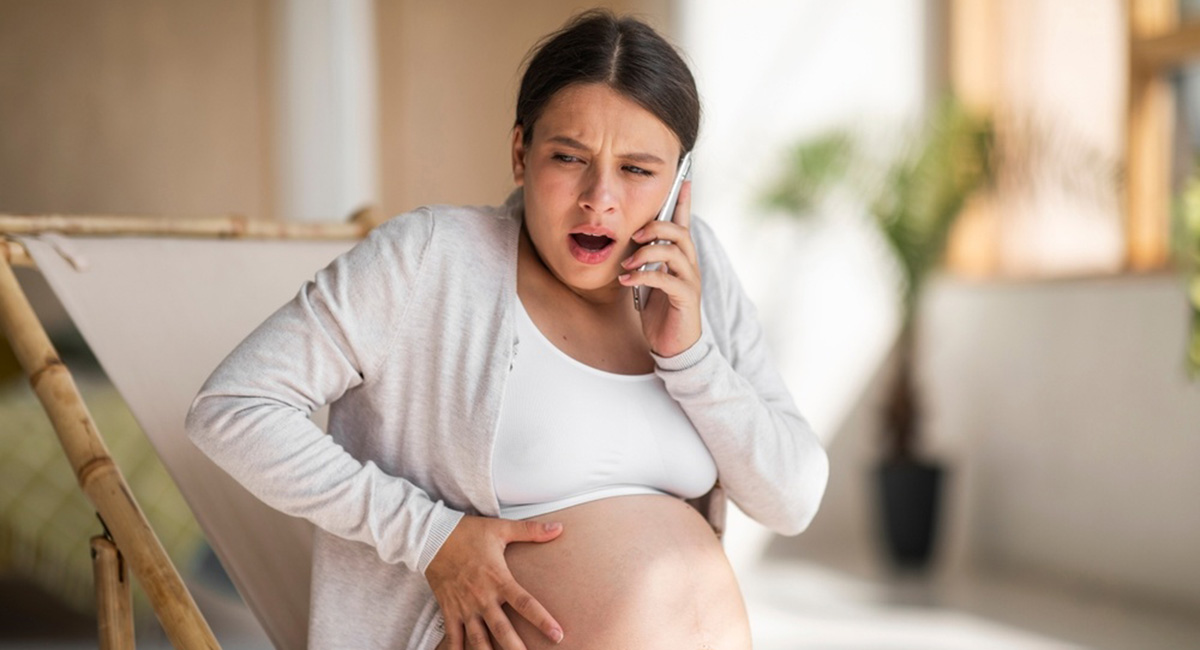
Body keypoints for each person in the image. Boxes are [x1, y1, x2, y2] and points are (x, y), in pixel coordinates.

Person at [186, 9, 828, 650]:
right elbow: (232, 408)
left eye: (637, 170)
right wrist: (428, 535)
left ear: (679, 182)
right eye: (570, 157)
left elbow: (791, 500)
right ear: (521, 153)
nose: (599, 198)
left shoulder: (698, 268)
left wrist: (692, 358)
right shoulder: (430, 257)